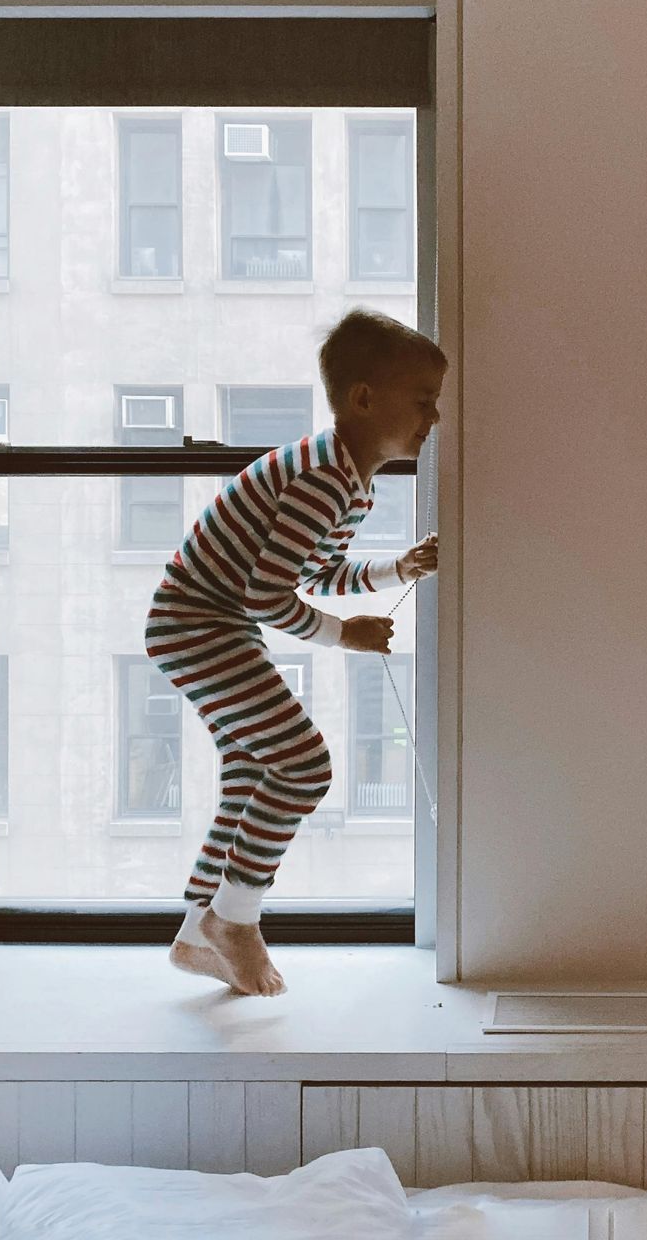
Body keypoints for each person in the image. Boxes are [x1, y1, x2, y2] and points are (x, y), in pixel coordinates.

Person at [146, 309, 445, 995]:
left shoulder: (347, 479)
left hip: (206, 621)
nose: (433, 419)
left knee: (256, 767)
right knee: (304, 766)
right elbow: (264, 596)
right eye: (422, 402)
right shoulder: (321, 477)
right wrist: (348, 635)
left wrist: (397, 571)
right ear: (364, 399)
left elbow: (315, 573)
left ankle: (199, 930)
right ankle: (236, 921)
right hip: (200, 622)